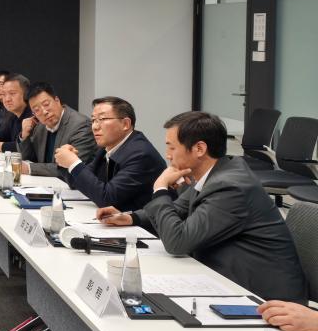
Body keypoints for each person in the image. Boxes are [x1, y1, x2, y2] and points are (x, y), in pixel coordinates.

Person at [98, 111, 307, 302]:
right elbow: (178, 210)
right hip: (226, 279)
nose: (168, 155)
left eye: (172, 147)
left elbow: (177, 242)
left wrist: (160, 189)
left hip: (265, 299)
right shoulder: (216, 174)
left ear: (199, 149)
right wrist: (132, 218)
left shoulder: (230, 186)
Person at [55, 96, 166, 211]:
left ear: (125, 124)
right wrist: (65, 163)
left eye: (102, 119)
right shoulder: (107, 148)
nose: (95, 127)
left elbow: (107, 199)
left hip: (146, 221)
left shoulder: (141, 155)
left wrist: (74, 163)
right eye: (93, 120)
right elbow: (80, 183)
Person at [17, 82, 97, 176]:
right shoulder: (40, 127)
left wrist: (29, 168)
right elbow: (28, 158)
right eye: (37, 110)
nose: (44, 112)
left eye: (46, 104)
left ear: (57, 100)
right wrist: (24, 135)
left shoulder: (81, 125)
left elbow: (72, 167)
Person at [0, 73, 32, 153]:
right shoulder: (14, 116)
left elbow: (20, 147)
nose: (7, 99)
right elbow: (2, 135)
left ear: (26, 94)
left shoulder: (33, 117)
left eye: (12, 93)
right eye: (4, 94)